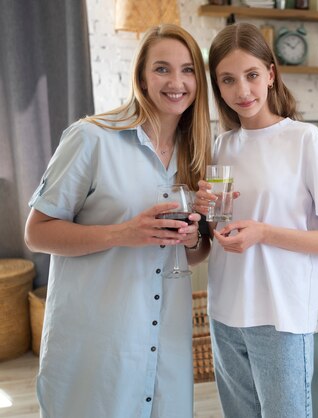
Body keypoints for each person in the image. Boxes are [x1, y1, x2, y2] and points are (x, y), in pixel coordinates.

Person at [23, 24, 212, 418]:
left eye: (188, 69)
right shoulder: (92, 138)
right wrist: (124, 233)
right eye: (162, 68)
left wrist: (193, 239)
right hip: (98, 345)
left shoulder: (194, 155)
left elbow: (189, 257)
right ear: (141, 75)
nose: (176, 82)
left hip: (166, 344)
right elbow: (36, 233)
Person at [194, 22, 318, 418]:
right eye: (228, 80)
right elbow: (213, 237)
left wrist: (263, 232)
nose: (242, 91)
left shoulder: (305, 140)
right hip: (225, 313)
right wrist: (204, 216)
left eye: (251, 75)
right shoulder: (221, 144)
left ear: (270, 74)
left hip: (280, 317)